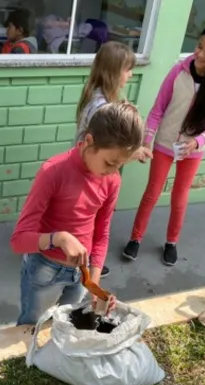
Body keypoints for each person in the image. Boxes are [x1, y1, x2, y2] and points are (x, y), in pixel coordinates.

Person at [11, 102, 144, 325]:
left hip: (81, 274)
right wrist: (59, 238)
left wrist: (94, 285)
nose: (112, 172)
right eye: (109, 162)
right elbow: (18, 241)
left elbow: (101, 234)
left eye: (119, 165)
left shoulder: (112, 180)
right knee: (31, 327)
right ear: (89, 141)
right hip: (44, 269)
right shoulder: (53, 171)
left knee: (67, 326)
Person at [122, 22, 205, 267]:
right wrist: (147, 140)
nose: (200, 54)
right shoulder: (179, 71)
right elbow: (157, 109)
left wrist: (198, 141)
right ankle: (135, 238)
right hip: (164, 142)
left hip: (192, 149)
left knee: (179, 197)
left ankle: (171, 242)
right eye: (199, 46)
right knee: (152, 193)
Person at [72, 41, 140, 279]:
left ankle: (87, 260)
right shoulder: (102, 106)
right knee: (92, 219)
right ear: (114, 72)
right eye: (127, 69)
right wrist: (135, 153)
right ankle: (87, 263)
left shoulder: (96, 96)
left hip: (86, 165)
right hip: (92, 171)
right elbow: (107, 151)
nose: (130, 74)